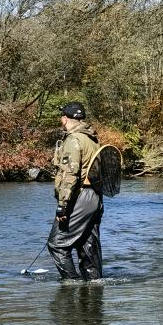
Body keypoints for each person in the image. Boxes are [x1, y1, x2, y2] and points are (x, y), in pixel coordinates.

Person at [47, 102, 103, 280]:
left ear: (65, 119)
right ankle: (93, 288)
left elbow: (69, 174)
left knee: (56, 244)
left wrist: (62, 205)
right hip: (95, 197)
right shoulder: (92, 139)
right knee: (88, 245)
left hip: (80, 197)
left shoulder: (73, 140)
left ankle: (72, 284)